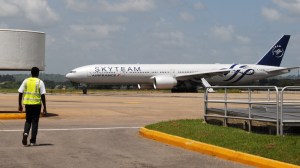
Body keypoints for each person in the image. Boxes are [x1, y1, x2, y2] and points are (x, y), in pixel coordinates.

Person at [18, 67, 47, 146]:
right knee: (35, 122)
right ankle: (32, 141)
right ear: (38, 73)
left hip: (27, 104)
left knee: (28, 120)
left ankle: (26, 133)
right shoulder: (39, 82)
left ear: (31, 73)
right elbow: (42, 95)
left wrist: (20, 104)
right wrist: (45, 107)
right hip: (36, 105)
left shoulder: (26, 81)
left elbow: (20, 92)